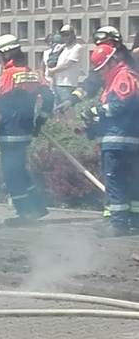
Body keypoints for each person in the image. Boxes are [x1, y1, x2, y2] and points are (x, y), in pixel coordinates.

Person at [0, 34, 54, 225]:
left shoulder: (8, 74)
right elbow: (49, 98)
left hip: (9, 131)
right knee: (19, 170)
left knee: (11, 173)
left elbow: (0, 105)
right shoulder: (32, 72)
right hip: (25, 130)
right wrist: (39, 121)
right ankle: (36, 207)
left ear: (5, 54)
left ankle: (25, 213)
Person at [82, 44, 139, 236]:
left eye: (101, 69)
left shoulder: (123, 77)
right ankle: (133, 221)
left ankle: (118, 224)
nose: (99, 74)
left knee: (115, 181)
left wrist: (94, 111)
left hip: (118, 140)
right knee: (130, 182)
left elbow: (118, 106)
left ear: (110, 63)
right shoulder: (122, 77)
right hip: (125, 139)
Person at [47, 25, 82, 106]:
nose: (65, 37)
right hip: (57, 82)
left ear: (73, 34)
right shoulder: (63, 48)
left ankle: (71, 119)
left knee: (67, 107)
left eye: (67, 34)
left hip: (67, 83)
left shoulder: (77, 47)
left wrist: (52, 70)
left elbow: (67, 64)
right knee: (57, 109)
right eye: (62, 35)